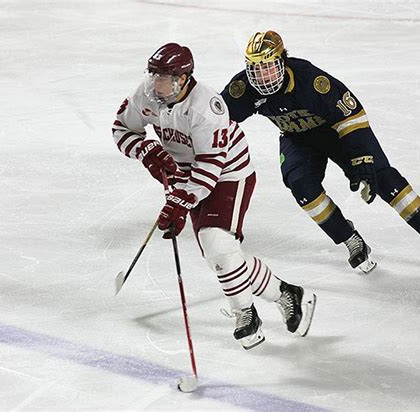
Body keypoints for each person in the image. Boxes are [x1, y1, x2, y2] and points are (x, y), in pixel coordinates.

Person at [112, 43, 317, 350]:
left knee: (218, 246)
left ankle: (245, 313)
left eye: (164, 77)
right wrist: (146, 150)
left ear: (182, 79)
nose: (156, 83)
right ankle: (287, 293)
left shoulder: (206, 107)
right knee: (219, 254)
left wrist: (179, 204)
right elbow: (121, 129)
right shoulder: (146, 95)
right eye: (153, 74)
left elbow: (209, 169)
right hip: (185, 174)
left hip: (228, 174)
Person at [221, 31, 420, 274]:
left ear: (283, 61)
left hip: (337, 134)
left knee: (384, 179)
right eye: (256, 69)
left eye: (269, 67)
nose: (262, 76)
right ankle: (351, 240)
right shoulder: (243, 89)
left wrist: (362, 156)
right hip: (297, 139)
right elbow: (215, 119)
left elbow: (351, 115)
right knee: (302, 188)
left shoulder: (309, 79)